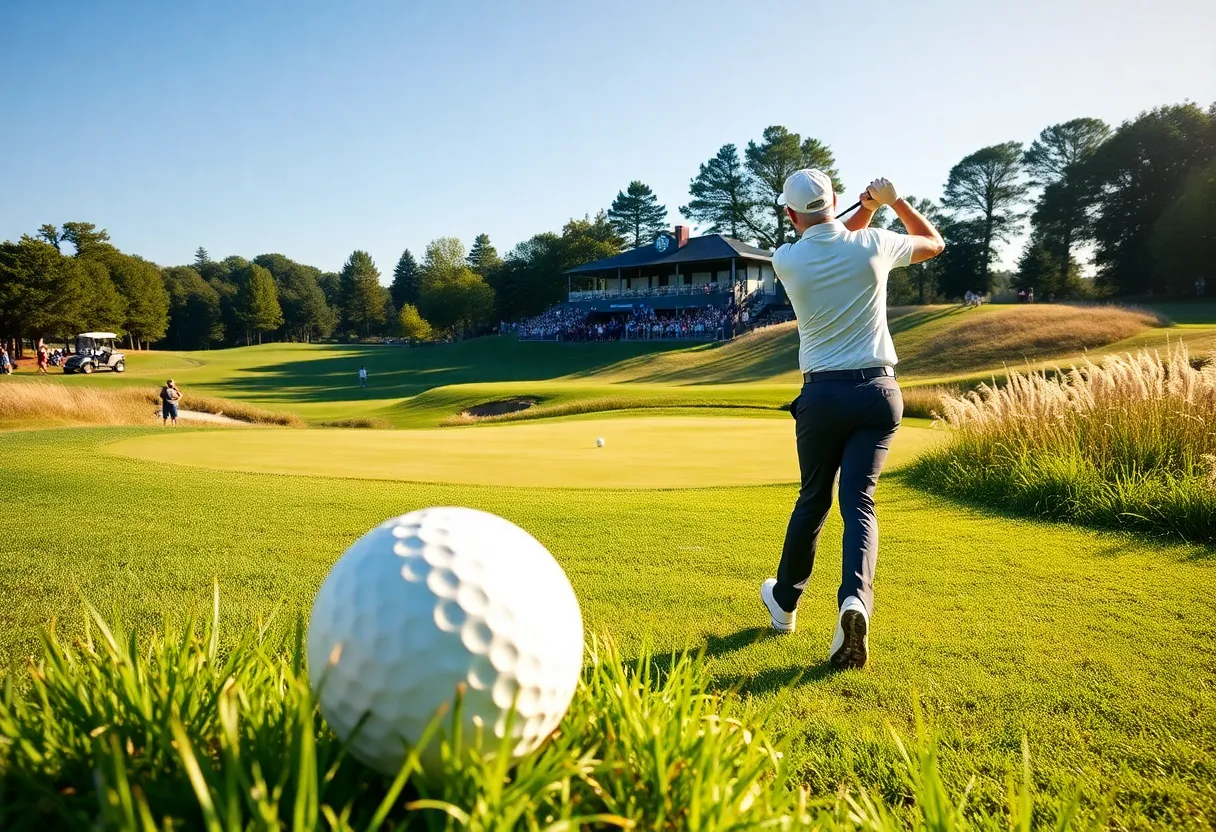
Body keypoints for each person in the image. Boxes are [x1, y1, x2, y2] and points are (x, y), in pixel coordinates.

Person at [760, 171, 945, 670]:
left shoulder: (786, 259)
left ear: (789, 215)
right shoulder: (873, 245)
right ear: (836, 199)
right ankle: (854, 602)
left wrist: (865, 208)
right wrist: (892, 202)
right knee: (858, 502)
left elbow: (828, 233)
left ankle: (784, 604)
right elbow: (933, 243)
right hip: (878, 393)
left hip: (822, 396)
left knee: (814, 497)